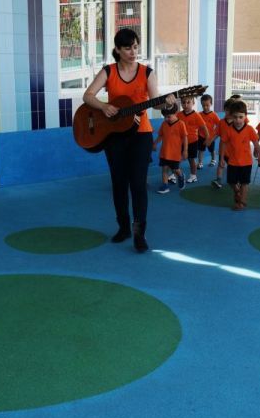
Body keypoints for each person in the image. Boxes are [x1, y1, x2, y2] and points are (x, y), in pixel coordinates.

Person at [83, 28, 175, 253]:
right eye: (128, 48)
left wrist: (168, 103)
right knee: (119, 184)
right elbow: (88, 95)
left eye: (135, 46)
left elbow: (155, 103)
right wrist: (104, 106)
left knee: (138, 184)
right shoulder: (109, 71)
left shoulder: (147, 73)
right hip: (114, 136)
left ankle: (139, 233)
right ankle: (123, 227)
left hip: (141, 135)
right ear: (117, 50)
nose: (133, 52)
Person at [220, 100, 260, 210]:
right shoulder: (228, 130)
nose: (238, 120)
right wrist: (221, 158)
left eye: (240, 117)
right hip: (232, 161)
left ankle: (242, 202)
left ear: (245, 116)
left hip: (246, 162)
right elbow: (223, 144)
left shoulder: (249, 129)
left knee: (244, 183)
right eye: (235, 117)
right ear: (231, 116)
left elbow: (256, 144)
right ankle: (237, 191)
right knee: (231, 182)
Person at [152, 103, 188, 194]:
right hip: (164, 152)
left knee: (175, 169)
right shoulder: (164, 124)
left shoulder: (181, 124)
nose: (166, 119)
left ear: (176, 113)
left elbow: (185, 138)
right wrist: (155, 143)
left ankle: (181, 176)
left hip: (175, 154)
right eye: (165, 117)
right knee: (164, 169)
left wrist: (185, 150)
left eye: (168, 116)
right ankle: (165, 185)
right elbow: (161, 135)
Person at [177, 96, 209, 183]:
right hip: (181, 142)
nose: (186, 104)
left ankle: (193, 175)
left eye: (188, 102)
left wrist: (207, 138)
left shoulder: (196, 115)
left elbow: (204, 127)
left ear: (193, 103)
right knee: (177, 158)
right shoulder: (179, 114)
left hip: (192, 141)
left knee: (191, 159)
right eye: (183, 102)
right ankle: (175, 173)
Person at [210, 96, 238, 189]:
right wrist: (210, 140)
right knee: (220, 164)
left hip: (234, 151)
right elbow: (216, 133)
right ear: (224, 110)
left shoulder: (237, 122)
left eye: (231, 110)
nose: (228, 112)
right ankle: (218, 180)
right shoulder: (221, 122)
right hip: (223, 150)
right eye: (227, 110)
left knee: (234, 168)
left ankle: (236, 181)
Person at [198, 94, 220, 168]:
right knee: (201, 150)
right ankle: (200, 162)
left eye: (207, 105)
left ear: (211, 104)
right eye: (203, 105)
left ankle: (213, 159)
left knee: (212, 150)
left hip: (210, 137)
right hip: (201, 136)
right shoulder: (199, 114)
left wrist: (214, 133)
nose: (205, 107)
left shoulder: (214, 115)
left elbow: (219, 125)